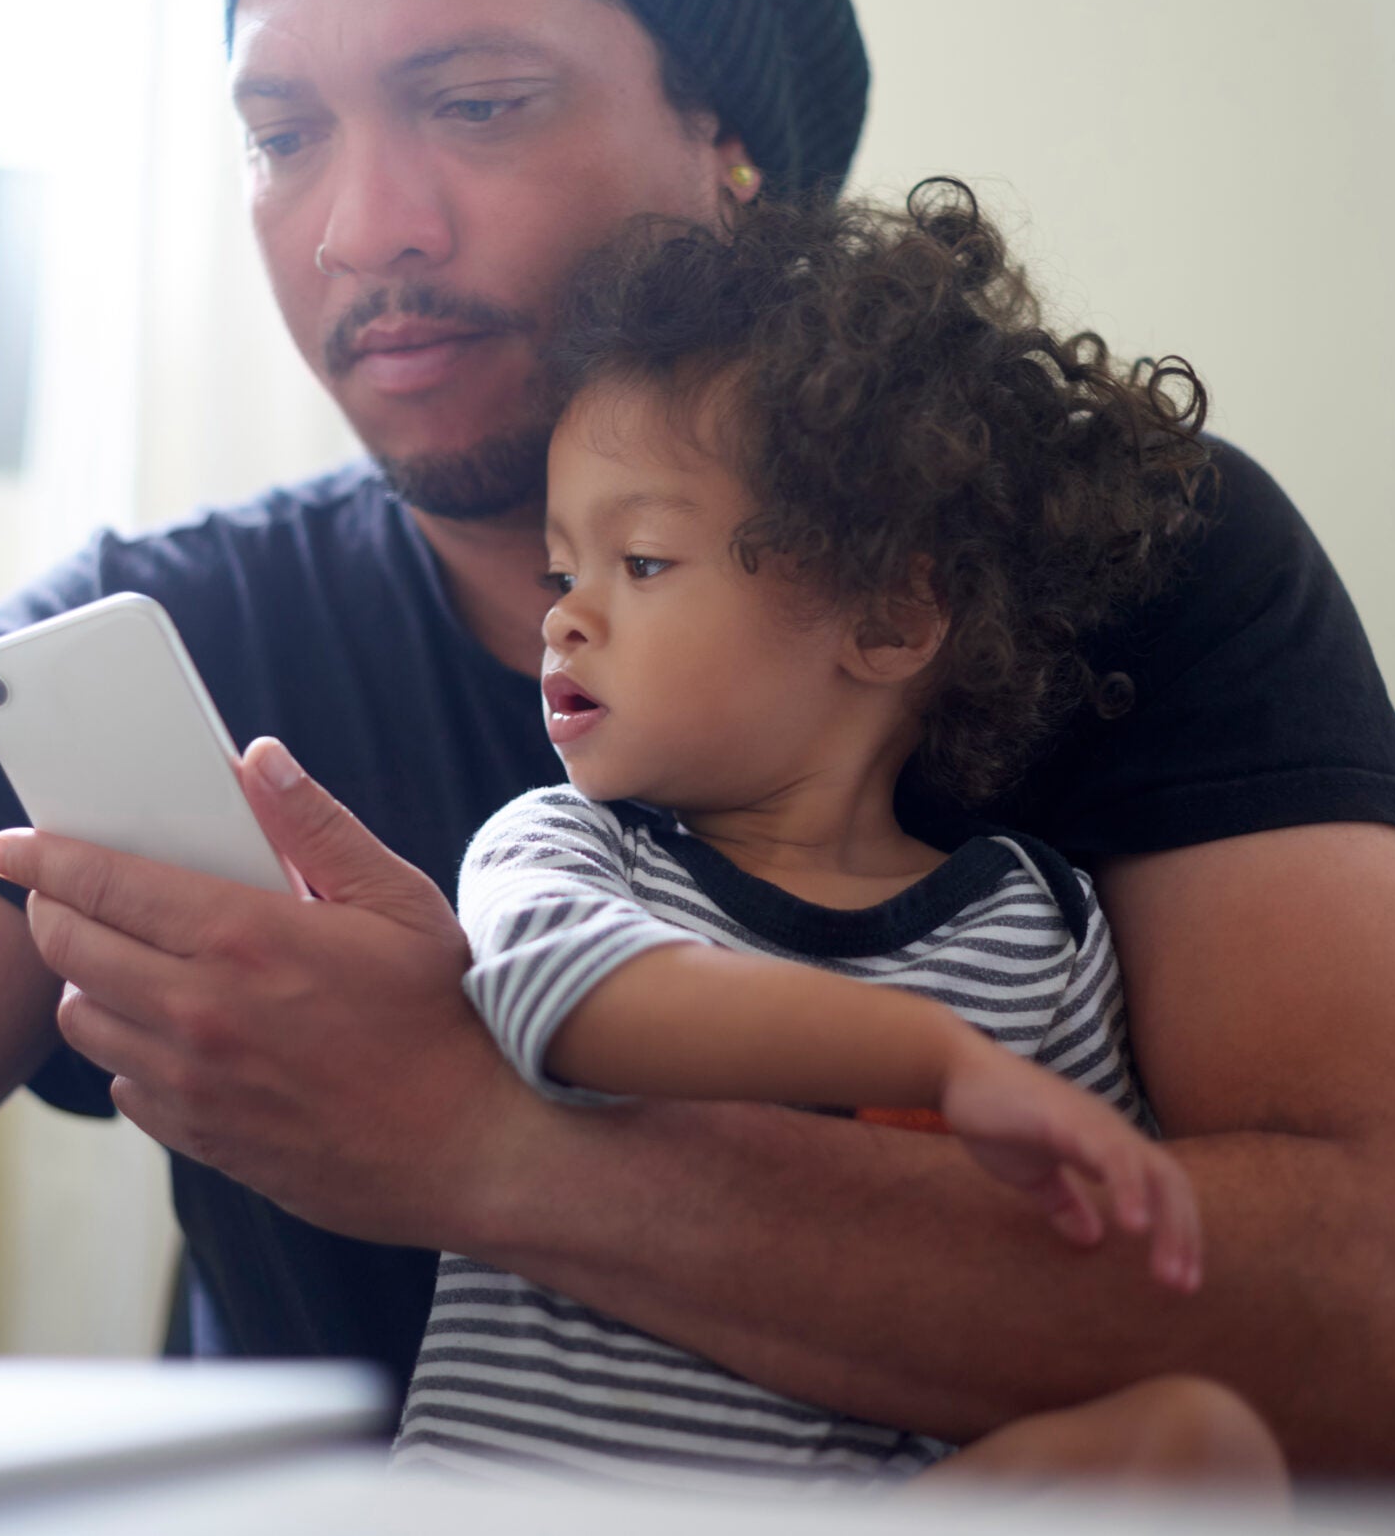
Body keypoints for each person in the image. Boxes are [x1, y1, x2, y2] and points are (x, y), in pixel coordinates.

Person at [0, 0, 1395, 1493]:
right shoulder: (170, 645)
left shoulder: (1108, 549)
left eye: (474, 103)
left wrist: (486, 1139)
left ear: (730, 138)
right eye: (279, 133)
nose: (359, 227)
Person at [386, 187, 1288, 1492]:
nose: (564, 618)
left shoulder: (1040, 933)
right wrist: (931, 1059)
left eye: (639, 562)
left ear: (888, 617)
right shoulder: (567, 848)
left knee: (1206, 1446)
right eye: (558, 569)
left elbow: (1094, 1246)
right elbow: (569, 1003)